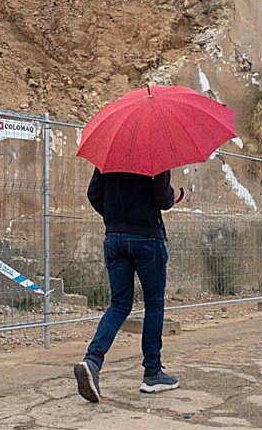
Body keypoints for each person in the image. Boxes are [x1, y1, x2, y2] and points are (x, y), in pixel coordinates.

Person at [74, 168, 183, 403]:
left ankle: (92, 361)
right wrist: (173, 197)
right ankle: (152, 373)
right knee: (154, 304)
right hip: (147, 239)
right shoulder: (156, 153)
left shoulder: (111, 154)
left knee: (119, 305)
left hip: (115, 237)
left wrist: (115, 218)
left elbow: (94, 193)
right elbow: (162, 199)